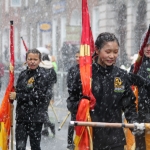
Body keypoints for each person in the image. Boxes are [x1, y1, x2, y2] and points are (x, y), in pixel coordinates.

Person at [67, 32, 141, 150]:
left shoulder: (120, 75)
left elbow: (129, 105)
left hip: (115, 138)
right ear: (97, 50)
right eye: (108, 52)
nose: (112, 56)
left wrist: (134, 123)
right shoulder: (85, 76)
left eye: (115, 52)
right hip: (91, 137)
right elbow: (71, 103)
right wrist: (84, 103)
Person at [9, 49, 55, 150]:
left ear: (40, 61)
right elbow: (19, 90)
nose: (32, 61)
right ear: (26, 60)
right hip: (21, 117)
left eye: (35, 59)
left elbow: (38, 95)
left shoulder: (43, 75)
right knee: (20, 147)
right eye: (30, 59)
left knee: (35, 146)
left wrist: (18, 96)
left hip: (36, 118)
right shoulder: (22, 74)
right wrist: (12, 93)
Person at [129, 31, 150, 150]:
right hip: (139, 115)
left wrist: (144, 83)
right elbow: (128, 89)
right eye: (145, 45)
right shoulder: (136, 66)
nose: (148, 48)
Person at [39, 53, 57, 137]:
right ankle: (45, 129)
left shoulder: (41, 68)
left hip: (41, 92)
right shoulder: (51, 68)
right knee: (44, 110)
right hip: (49, 92)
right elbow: (55, 80)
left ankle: (49, 125)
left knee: (41, 111)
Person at [66, 51, 79, 150]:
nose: (77, 58)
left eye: (79, 56)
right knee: (73, 121)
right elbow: (69, 84)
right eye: (76, 56)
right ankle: (70, 141)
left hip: (84, 101)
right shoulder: (72, 69)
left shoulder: (88, 68)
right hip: (74, 100)